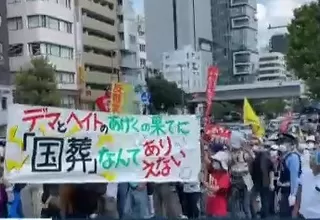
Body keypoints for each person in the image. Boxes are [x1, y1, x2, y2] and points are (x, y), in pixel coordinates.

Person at [229, 131, 254, 219]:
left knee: (245, 205)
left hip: (245, 179)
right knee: (233, 203)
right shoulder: (231, 154)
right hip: (235, 178)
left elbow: (252, 158)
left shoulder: (243, 154)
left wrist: (248, 150)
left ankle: (249, 217)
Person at [277, 133, 302, 217]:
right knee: (283, 213)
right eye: (282, 141)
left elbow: (294, 177)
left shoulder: (293, 157)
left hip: (289, 191)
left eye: (285, 142)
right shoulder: (285, 156)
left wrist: (293, 195)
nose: (282, 144)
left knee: (287, 214)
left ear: (292, 145)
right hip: (284, 189)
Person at [293, 150, 320, 219]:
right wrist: (296, 208)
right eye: (311, 164)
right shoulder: (305, 174)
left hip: (317, 215)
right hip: (303, 214)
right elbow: (300, 191)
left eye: (314, 165)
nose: (311, 167)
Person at [250, 144, 274, 218]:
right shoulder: (257, 157)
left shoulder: (266, 157)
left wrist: (271, 183)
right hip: (258, 182)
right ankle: (257, 215)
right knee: (260, 200)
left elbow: (271, 171)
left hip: (263, 182)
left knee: (264, 200)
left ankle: (262, 215)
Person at [204, 150, 230, 217]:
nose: (214, 163)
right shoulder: (213, 172)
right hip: (210, 208)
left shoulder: (225, 176)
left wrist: (206, 185)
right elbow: (207, 163)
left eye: (216, 161)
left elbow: (216, 189)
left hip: (219, 211)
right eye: (214, 161)